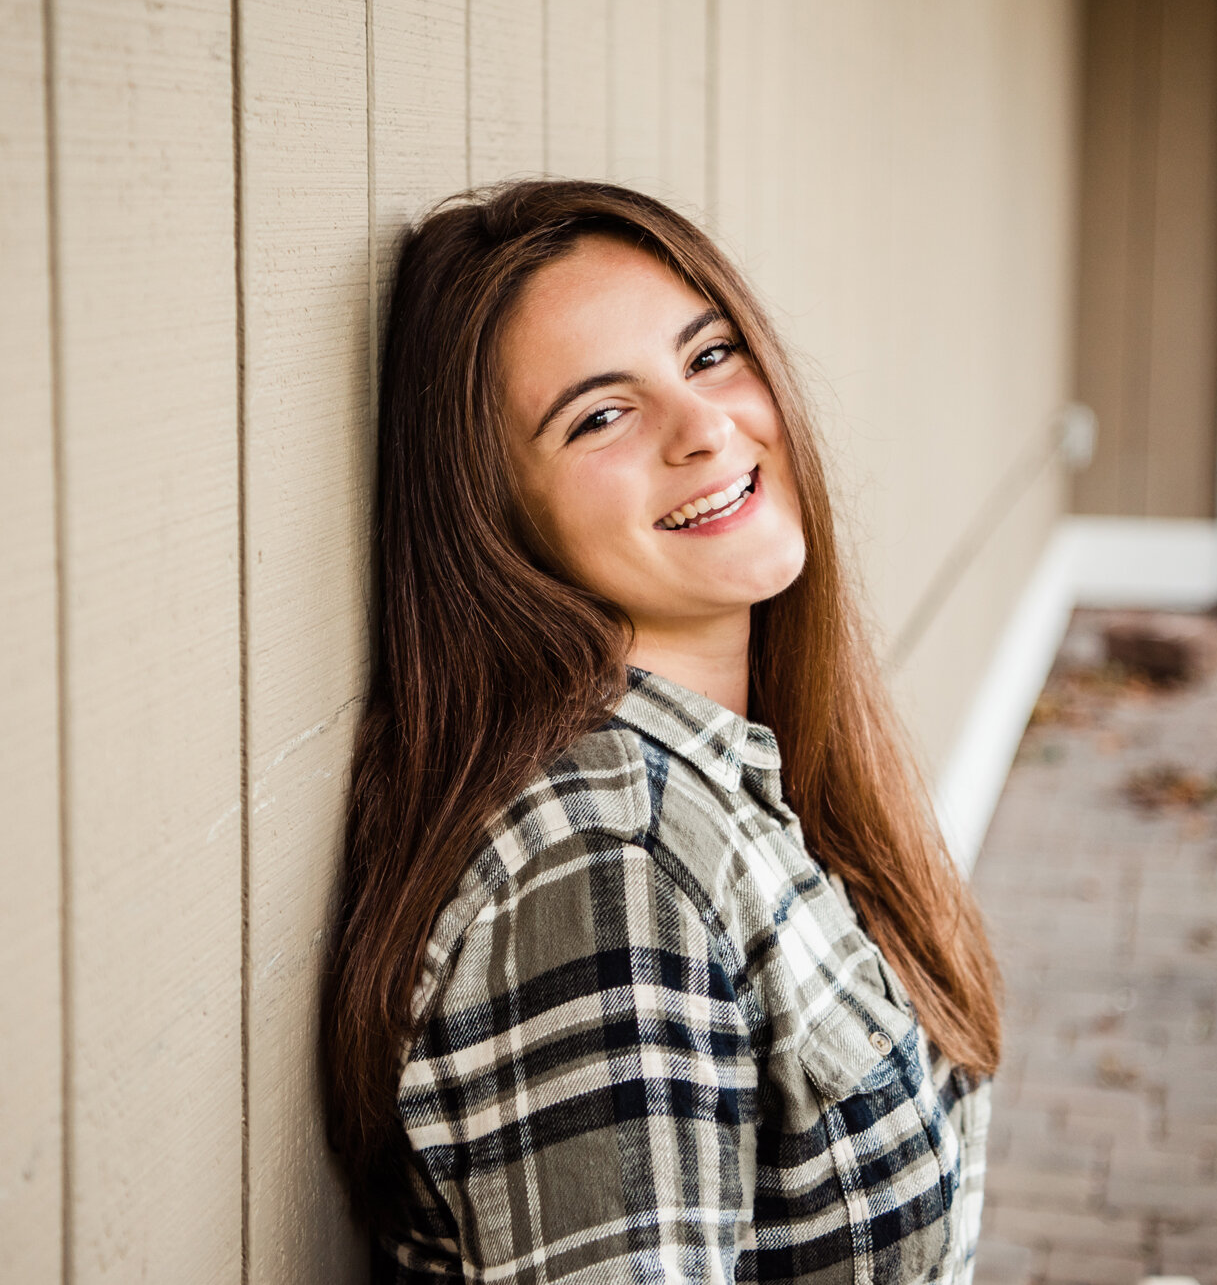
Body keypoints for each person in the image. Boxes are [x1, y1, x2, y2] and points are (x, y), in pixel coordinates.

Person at [323, 179, 1002, 1283]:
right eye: (599, 415)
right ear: (494, 519)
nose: (703, 428)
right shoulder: (608, 874)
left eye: (709, 355)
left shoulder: (735, 768)